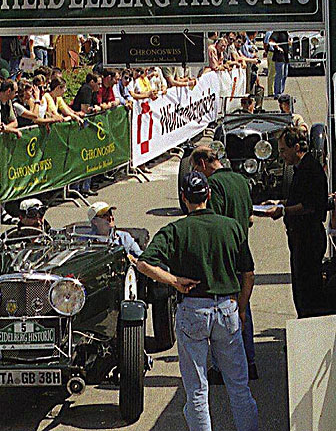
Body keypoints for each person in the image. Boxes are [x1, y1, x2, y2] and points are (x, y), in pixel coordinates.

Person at [137, 172, 258, 431]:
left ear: (184, 198)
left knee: (197, 391)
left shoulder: (176, 230)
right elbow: (248, 274)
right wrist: (243, 308)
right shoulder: (231, 227)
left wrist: (173, 280)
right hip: (227, 309)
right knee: (239, 387)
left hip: (193, 309)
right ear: (209, 195)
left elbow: (144, 263)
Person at [190, 146, 258, 382]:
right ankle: (250, 361)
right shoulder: (240, 179)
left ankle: (223, 367)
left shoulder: (215, 185)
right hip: (242, 245)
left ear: (202, 163)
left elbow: (212, 220)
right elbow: (250, 217)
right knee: (243, 306)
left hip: (224, 250)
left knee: (224, 310)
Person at [263, 126, 328, 318]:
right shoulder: (300, 169)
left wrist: (283, 211)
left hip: (309, 238)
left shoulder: (310, 169)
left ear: (296, 147)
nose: (281, 155)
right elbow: (299, 199)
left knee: (308, 292)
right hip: (299, 239)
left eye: (283, 150)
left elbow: (311, 205)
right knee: (300, 290)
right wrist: (279, 203)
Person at [269, 31, 290, 98]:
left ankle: (281, 91)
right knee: (280, 75)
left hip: (285, 56)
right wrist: (278, 48)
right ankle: (277, 93)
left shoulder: (286, 33)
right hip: (279, 56)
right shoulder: (277, 32)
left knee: (285, 74)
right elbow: (271, 41)